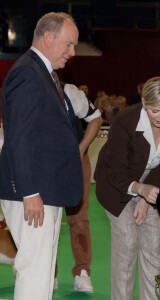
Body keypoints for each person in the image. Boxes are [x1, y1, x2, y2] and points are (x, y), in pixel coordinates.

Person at [0, 12, 83, 299]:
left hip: (45, 190)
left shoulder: (41, 73)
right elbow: (18, 137)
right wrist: (29, 192)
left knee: (43, 269)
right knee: (34, 269)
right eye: (69, 45)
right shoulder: (28, 73)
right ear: (48, 38)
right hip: (34, 193)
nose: (72, 53)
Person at [94, 76, 160, 300]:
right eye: (155, 111)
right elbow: (115, 171)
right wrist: (139, 189)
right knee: (127, 244)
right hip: (115, 183)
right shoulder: (125, 120)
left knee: (154, 246)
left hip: (152, 183)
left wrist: (148, 200)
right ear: (144, 102)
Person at [54, 83, 102, 293]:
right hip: (43, 163)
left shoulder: (69, 91)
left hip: (75, 161)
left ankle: (82, 272)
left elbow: (96, 118)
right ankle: (48, 273)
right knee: (44, 220)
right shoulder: (30, 86)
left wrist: (81, 149)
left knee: (79, 218)